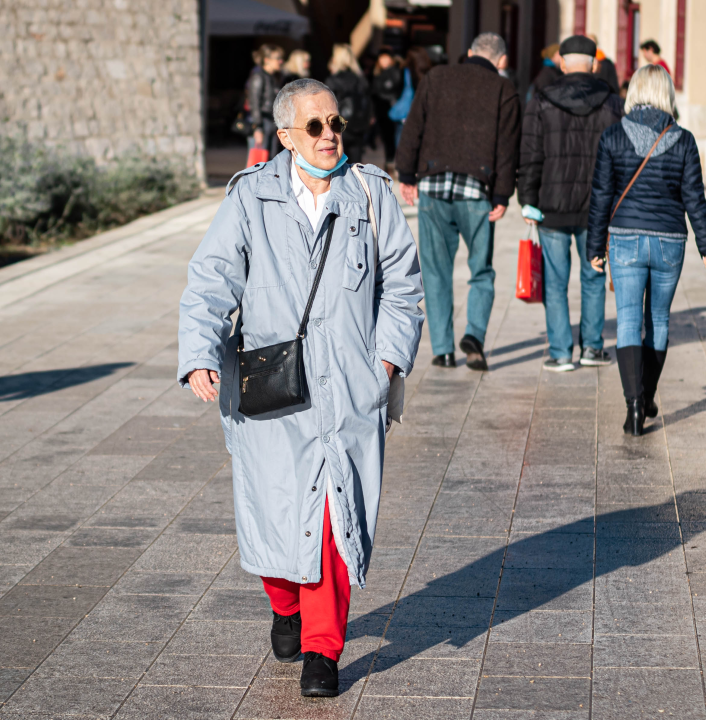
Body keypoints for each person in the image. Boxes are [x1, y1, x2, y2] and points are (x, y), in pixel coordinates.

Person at [178, 79, 423, 697]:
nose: (329, 134)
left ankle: (323, 648)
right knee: (276, 510)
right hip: (272, 392)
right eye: (313, 126)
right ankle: (284, 604)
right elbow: (211, 278)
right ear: (285, 136)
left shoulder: (371, 194)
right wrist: (200, 353)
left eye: (335, 122)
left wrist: (387, 362)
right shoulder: (250, 197)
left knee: (332, 517)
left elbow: (403, 285)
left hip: (349, 389)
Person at [586, 65, 706, 435]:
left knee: (628, 319)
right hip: (669, 241)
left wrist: (595, 246)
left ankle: (633, 407)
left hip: (625, 238)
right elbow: (694, 197)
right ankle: (647, 394)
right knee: (658, 320)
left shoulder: (612, 136)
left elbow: (600, 197)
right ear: (667, 94)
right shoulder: (684, 140)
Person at [395, 32, 521, 370]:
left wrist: (406, 175)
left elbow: (413, 127)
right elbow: (508, 147)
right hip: (476, 190)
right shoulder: (504, 90)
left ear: (468, 53)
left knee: (435, 271)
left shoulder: (436, 77)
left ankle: (443, 349)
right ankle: (475, 336)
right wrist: (502, 194)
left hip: (433, 186)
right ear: (502, 60)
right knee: (481, 270)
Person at [518, 35, 622, 372]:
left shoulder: (542, 99)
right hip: (598, 206)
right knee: (593, 275)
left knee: (555, 279)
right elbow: (622, 158)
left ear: (561, 62)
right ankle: (592, 347)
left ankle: (562, 352)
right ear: (593, 64)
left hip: (552, 204)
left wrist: (527, 201)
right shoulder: (612, 102)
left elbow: (531, 154)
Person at [325, 44, 373, 163]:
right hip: (358, 124)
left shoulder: (333, 80)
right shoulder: (360, 79)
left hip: (339, 125)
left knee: (337, 164)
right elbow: (367, 100)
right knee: (355, 163)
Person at [390, 47, 433, 151]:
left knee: (403, 145)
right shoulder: (430, 74)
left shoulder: (405, 72)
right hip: (424, 114)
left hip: (406, 115)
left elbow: (397, 91)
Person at [247, 45, 284, 160]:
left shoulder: (274, 77)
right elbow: (254, 103)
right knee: (259, 161)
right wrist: (257, 128)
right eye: (277, 58)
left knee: (270, 159)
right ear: (267, 60)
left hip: (271, 123)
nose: (281, 61)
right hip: (262, 122)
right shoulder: (259, 77)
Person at [371, 50, 403, 165]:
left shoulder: (395, 72)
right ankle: (389, 161)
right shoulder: (378, 73)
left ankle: (392, 161)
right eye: (381, 58)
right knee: (386, 137)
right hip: (381, 110)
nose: (383, 61)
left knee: (392, 137)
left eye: (386, 58)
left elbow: (397, 91)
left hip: (392, 110)